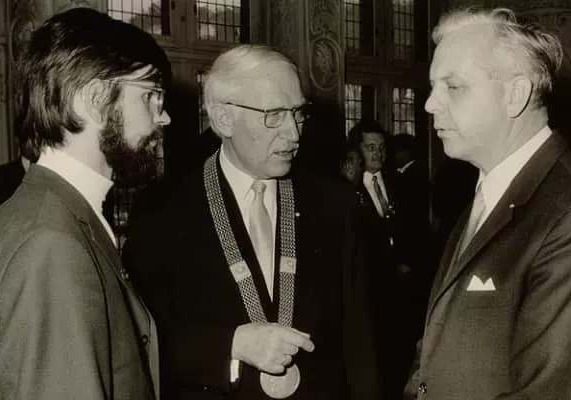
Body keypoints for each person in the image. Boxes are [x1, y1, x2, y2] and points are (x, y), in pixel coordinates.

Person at [123, 44, 379, 400]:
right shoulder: (161, 212)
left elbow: (361, 346)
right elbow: (141, 341)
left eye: (297, 113)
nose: (293, 133)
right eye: (274, 115)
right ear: (223, 119)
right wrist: (231, 344)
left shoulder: (337, 205)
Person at [0, 7, 171, 399]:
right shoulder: (51, 242)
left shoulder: (58, 212)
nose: (164, 118)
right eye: (149, 96)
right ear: (94, 100)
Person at [404, 7, 571, 400]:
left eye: (453, 87)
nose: (430, 104)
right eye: (433, 86)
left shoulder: (562, 210)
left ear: (515, 95)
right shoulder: (488, 195)